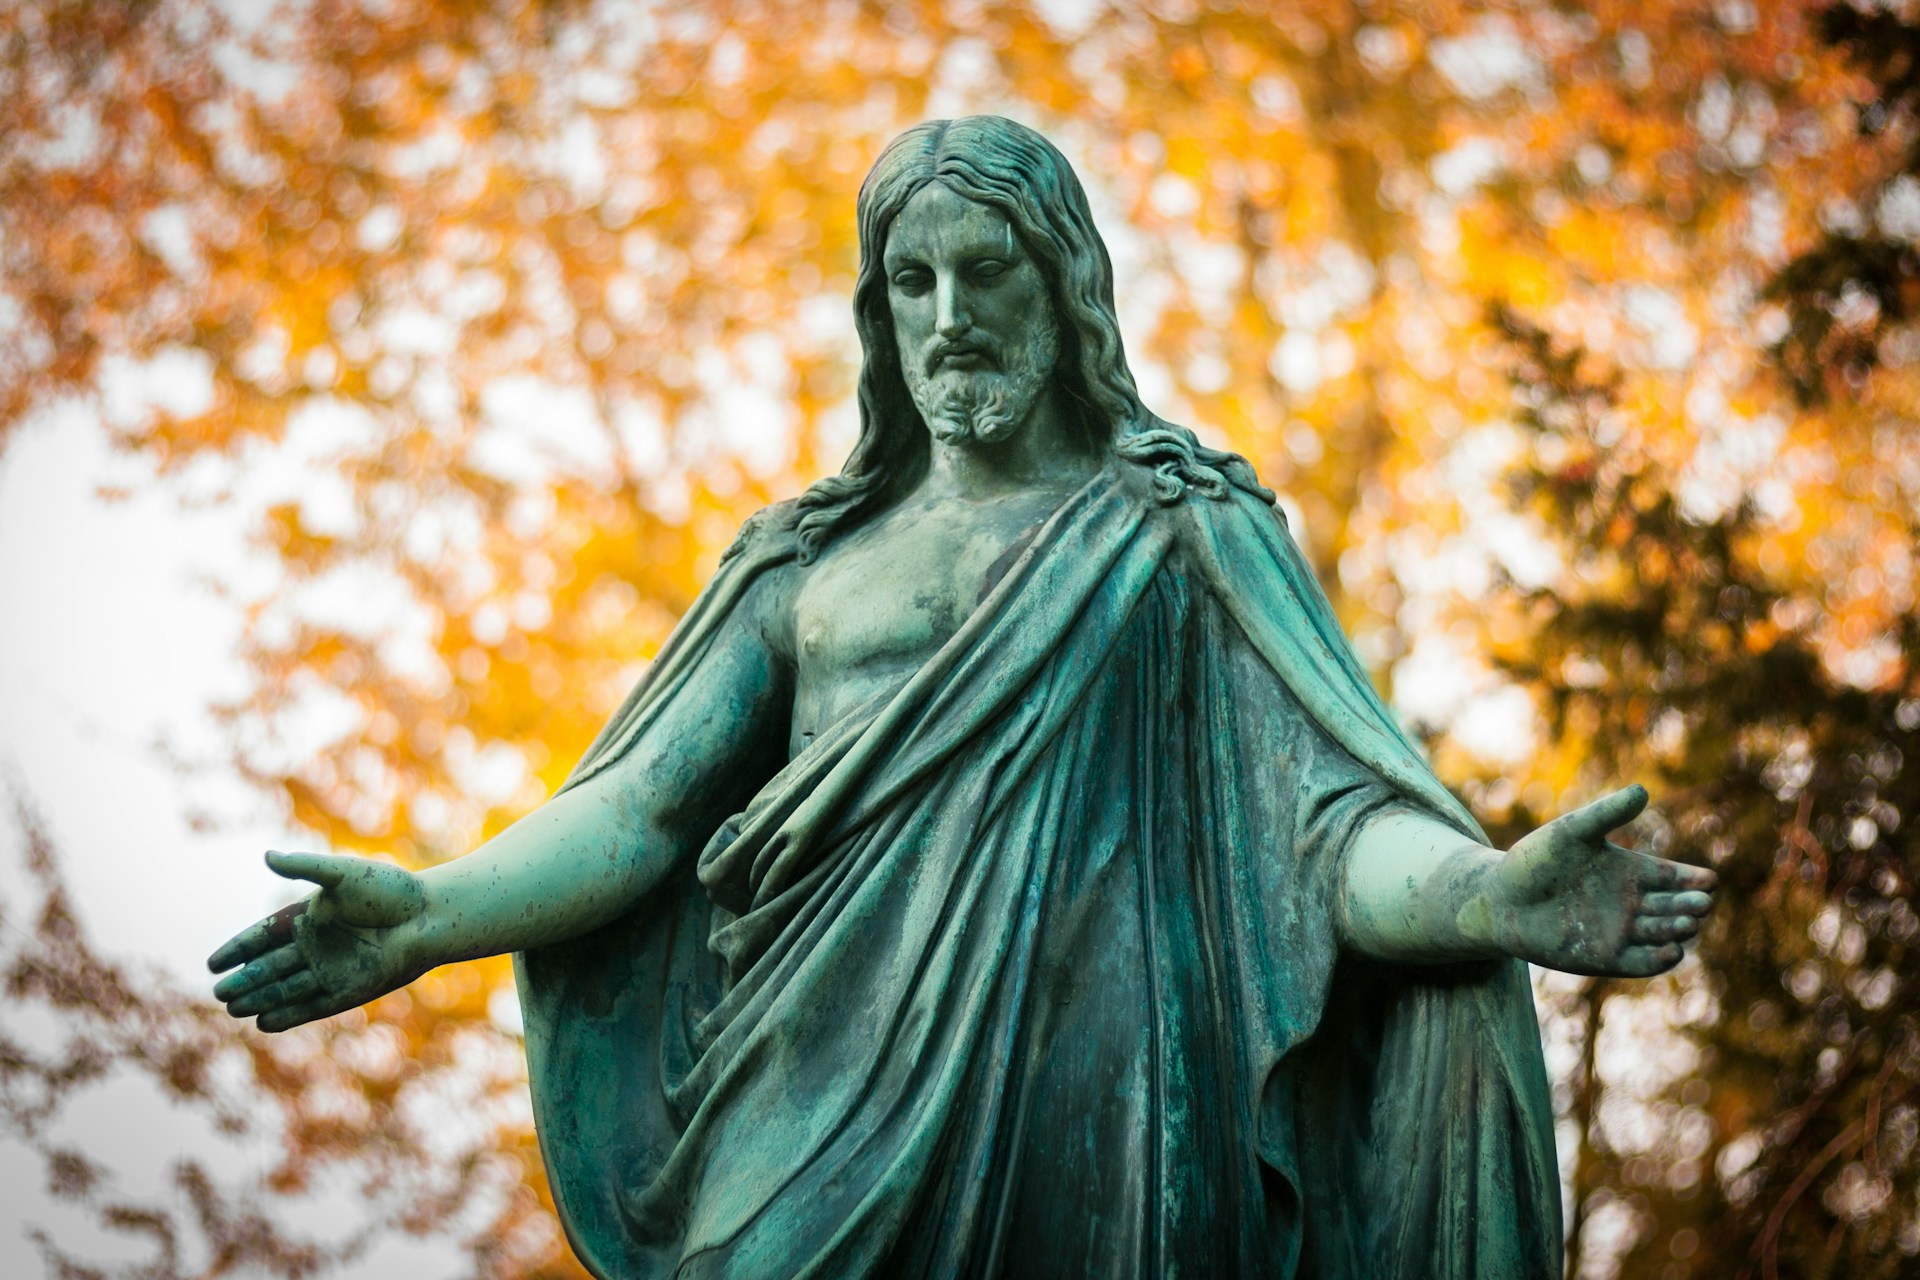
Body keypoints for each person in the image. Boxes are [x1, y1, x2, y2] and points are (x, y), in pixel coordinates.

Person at [209, 116, 1716, 1279]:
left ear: (1066, 284)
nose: (948, 317)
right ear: (877, 314)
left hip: (1114, 1114)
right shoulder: (804, 563)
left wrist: (1482, 896)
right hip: (804, 1103)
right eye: (910, 282)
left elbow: (1324, 836)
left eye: (984, 271)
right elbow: (638, 807)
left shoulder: (1181, 532)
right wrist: (432, 914)